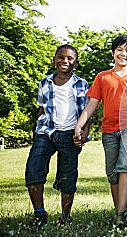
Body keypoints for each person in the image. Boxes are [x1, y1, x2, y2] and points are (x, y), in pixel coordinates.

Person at [74, 35, 127, 228]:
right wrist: (79, 124)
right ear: (113, 52)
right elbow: (92, 104)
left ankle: (121, 213)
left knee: (126, 166)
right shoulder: (102, 77)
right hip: (109, 130)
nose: (123, 54)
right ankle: (120, 213)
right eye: (120, 49)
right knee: (112, 172)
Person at [25, 44, 90, 227]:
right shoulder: (45, 82)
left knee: (68, 176)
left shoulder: (81, 84)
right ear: (54, 59)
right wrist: (36, 132)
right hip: (45, 133)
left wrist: (84, 131)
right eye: (61, 57)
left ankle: (65, 216)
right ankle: (39, 213)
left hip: (70, 134)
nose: (65, 61)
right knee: (33, 169)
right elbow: (41, 109)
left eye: (70, 58)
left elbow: (87, 111)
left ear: (75, 63)